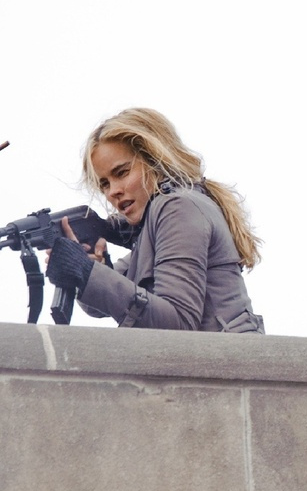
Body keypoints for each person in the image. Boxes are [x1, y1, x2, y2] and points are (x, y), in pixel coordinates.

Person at [45, 107, 265, 332]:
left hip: (221, 355)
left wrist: (84, 270)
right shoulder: (160, 222)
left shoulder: (178, 207)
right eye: (105, 184)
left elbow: (178, 322)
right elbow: (102, 306)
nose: (113, 191)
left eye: (122, 173)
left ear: (155, 160)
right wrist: (91, 269)